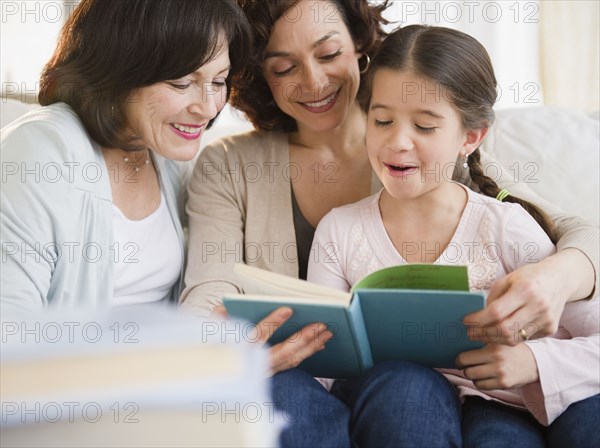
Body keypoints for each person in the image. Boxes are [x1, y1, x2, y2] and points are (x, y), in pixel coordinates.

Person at [182, 0, 598, 445]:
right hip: (308, 376)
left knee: (408, 388)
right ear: (260, 75)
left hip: (427, 391)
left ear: (359, 44)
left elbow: (557, 226)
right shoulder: (231, 165)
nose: (314, 81)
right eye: (284, 68)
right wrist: (214, 348)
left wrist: (560, 277)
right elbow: (209, 286)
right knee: (293, 392)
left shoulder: (435, 147)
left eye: (327, 54)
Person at [307, 24, 599, 447]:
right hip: (410, 404)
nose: (397, 142)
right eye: (382, 120)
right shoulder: (340, 230)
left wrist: (533, 360)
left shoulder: (505, 226)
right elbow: (326, 366)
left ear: (471, 137)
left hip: (518, 405)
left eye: (424, 127)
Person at [1, 0, 251, 312]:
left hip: (171, 358)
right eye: (182, 83)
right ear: (118, 72)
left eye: (218, 81)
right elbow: (10, 338)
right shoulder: (39, 152)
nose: (208, 107)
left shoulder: (168, 157)